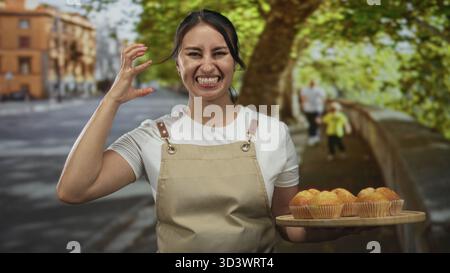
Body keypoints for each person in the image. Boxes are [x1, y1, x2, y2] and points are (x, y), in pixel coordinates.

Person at [56, 9, 361, 253]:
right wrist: (112, 100)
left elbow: (288, 227)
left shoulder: (273, 133)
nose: (206, 65)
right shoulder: (152, 136)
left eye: (219, 53)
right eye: (193, 54)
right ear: (178, 65)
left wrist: (345, 224)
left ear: (234, 62)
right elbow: (74, 189)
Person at [300, 80, 326, 146]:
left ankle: (314, 137)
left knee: (315, 123)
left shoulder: (319, 90)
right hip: (309, 109)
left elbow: (323, 99)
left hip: (317, 109)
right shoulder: (305, 90)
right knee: (312, 123)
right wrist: (303, 106)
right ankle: (313, 137)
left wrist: (322, 106)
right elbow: (303, 99)